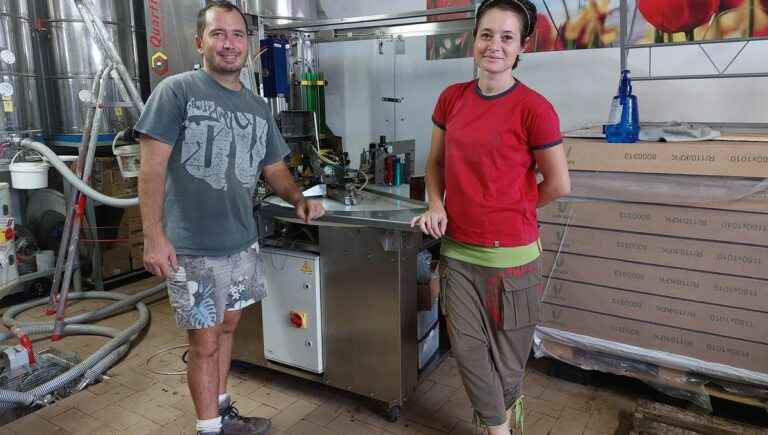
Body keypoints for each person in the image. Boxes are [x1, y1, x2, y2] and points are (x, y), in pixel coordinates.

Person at [135, 2, 324, 434]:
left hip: (242, 242)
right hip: (192, 248)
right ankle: (209, 430)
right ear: (200, 41)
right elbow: (151, 169)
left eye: (238, 35)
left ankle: (222, 414)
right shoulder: (176, 91)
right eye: (218, 34)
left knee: (227, 327)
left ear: (249, 45)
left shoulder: (257, 107)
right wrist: (153, 236)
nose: (229, 43)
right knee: (203, 343)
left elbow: (274, 168)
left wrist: (298, 197)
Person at [411, 0, 571, 434]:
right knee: (467, 351)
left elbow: (558, 183)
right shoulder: (452, 99)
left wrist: (513, 207)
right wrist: (437, 204)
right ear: (473, 39)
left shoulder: (535, 109)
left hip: (514, 261)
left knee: (508, 361)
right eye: (486, 34)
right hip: (460, 255)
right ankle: (498, 428)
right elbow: (435, 164)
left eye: (506, 37)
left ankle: (500, 412)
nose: (494, 45)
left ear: (522, 47)